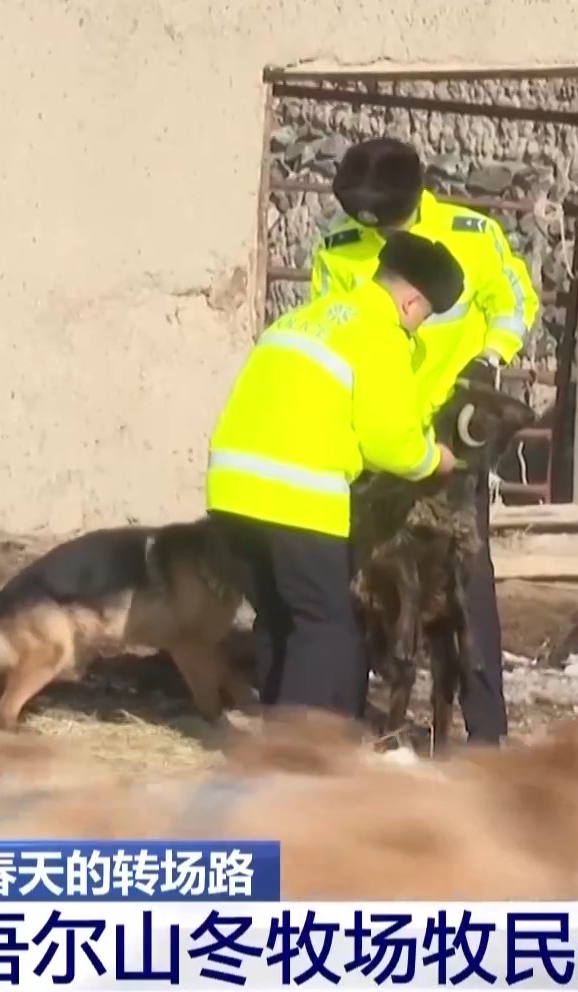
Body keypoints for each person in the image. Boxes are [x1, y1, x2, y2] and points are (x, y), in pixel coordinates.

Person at [309, 137, 540, 746]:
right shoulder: (339, 246)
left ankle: (486, 735)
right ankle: (351, 723)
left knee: (468, 581)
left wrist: (491, 357)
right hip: (376, 438)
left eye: (385, 219)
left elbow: (514, 302)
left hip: (451, 437)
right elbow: (333, 327)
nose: (375, 232)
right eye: (366, 222)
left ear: (413, 199)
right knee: (365, 578)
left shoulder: (472, 235)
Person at [206, 231, 465, 719]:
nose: (418, 325)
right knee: (323, 626)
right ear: (411, 301)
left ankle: (277, 734)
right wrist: (434, 460)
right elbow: (388, 440)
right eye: (425, 315)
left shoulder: (301, 319)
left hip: (230, 494)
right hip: (296, 497)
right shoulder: (379, 332)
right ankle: (298, 751)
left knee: (278, 619)